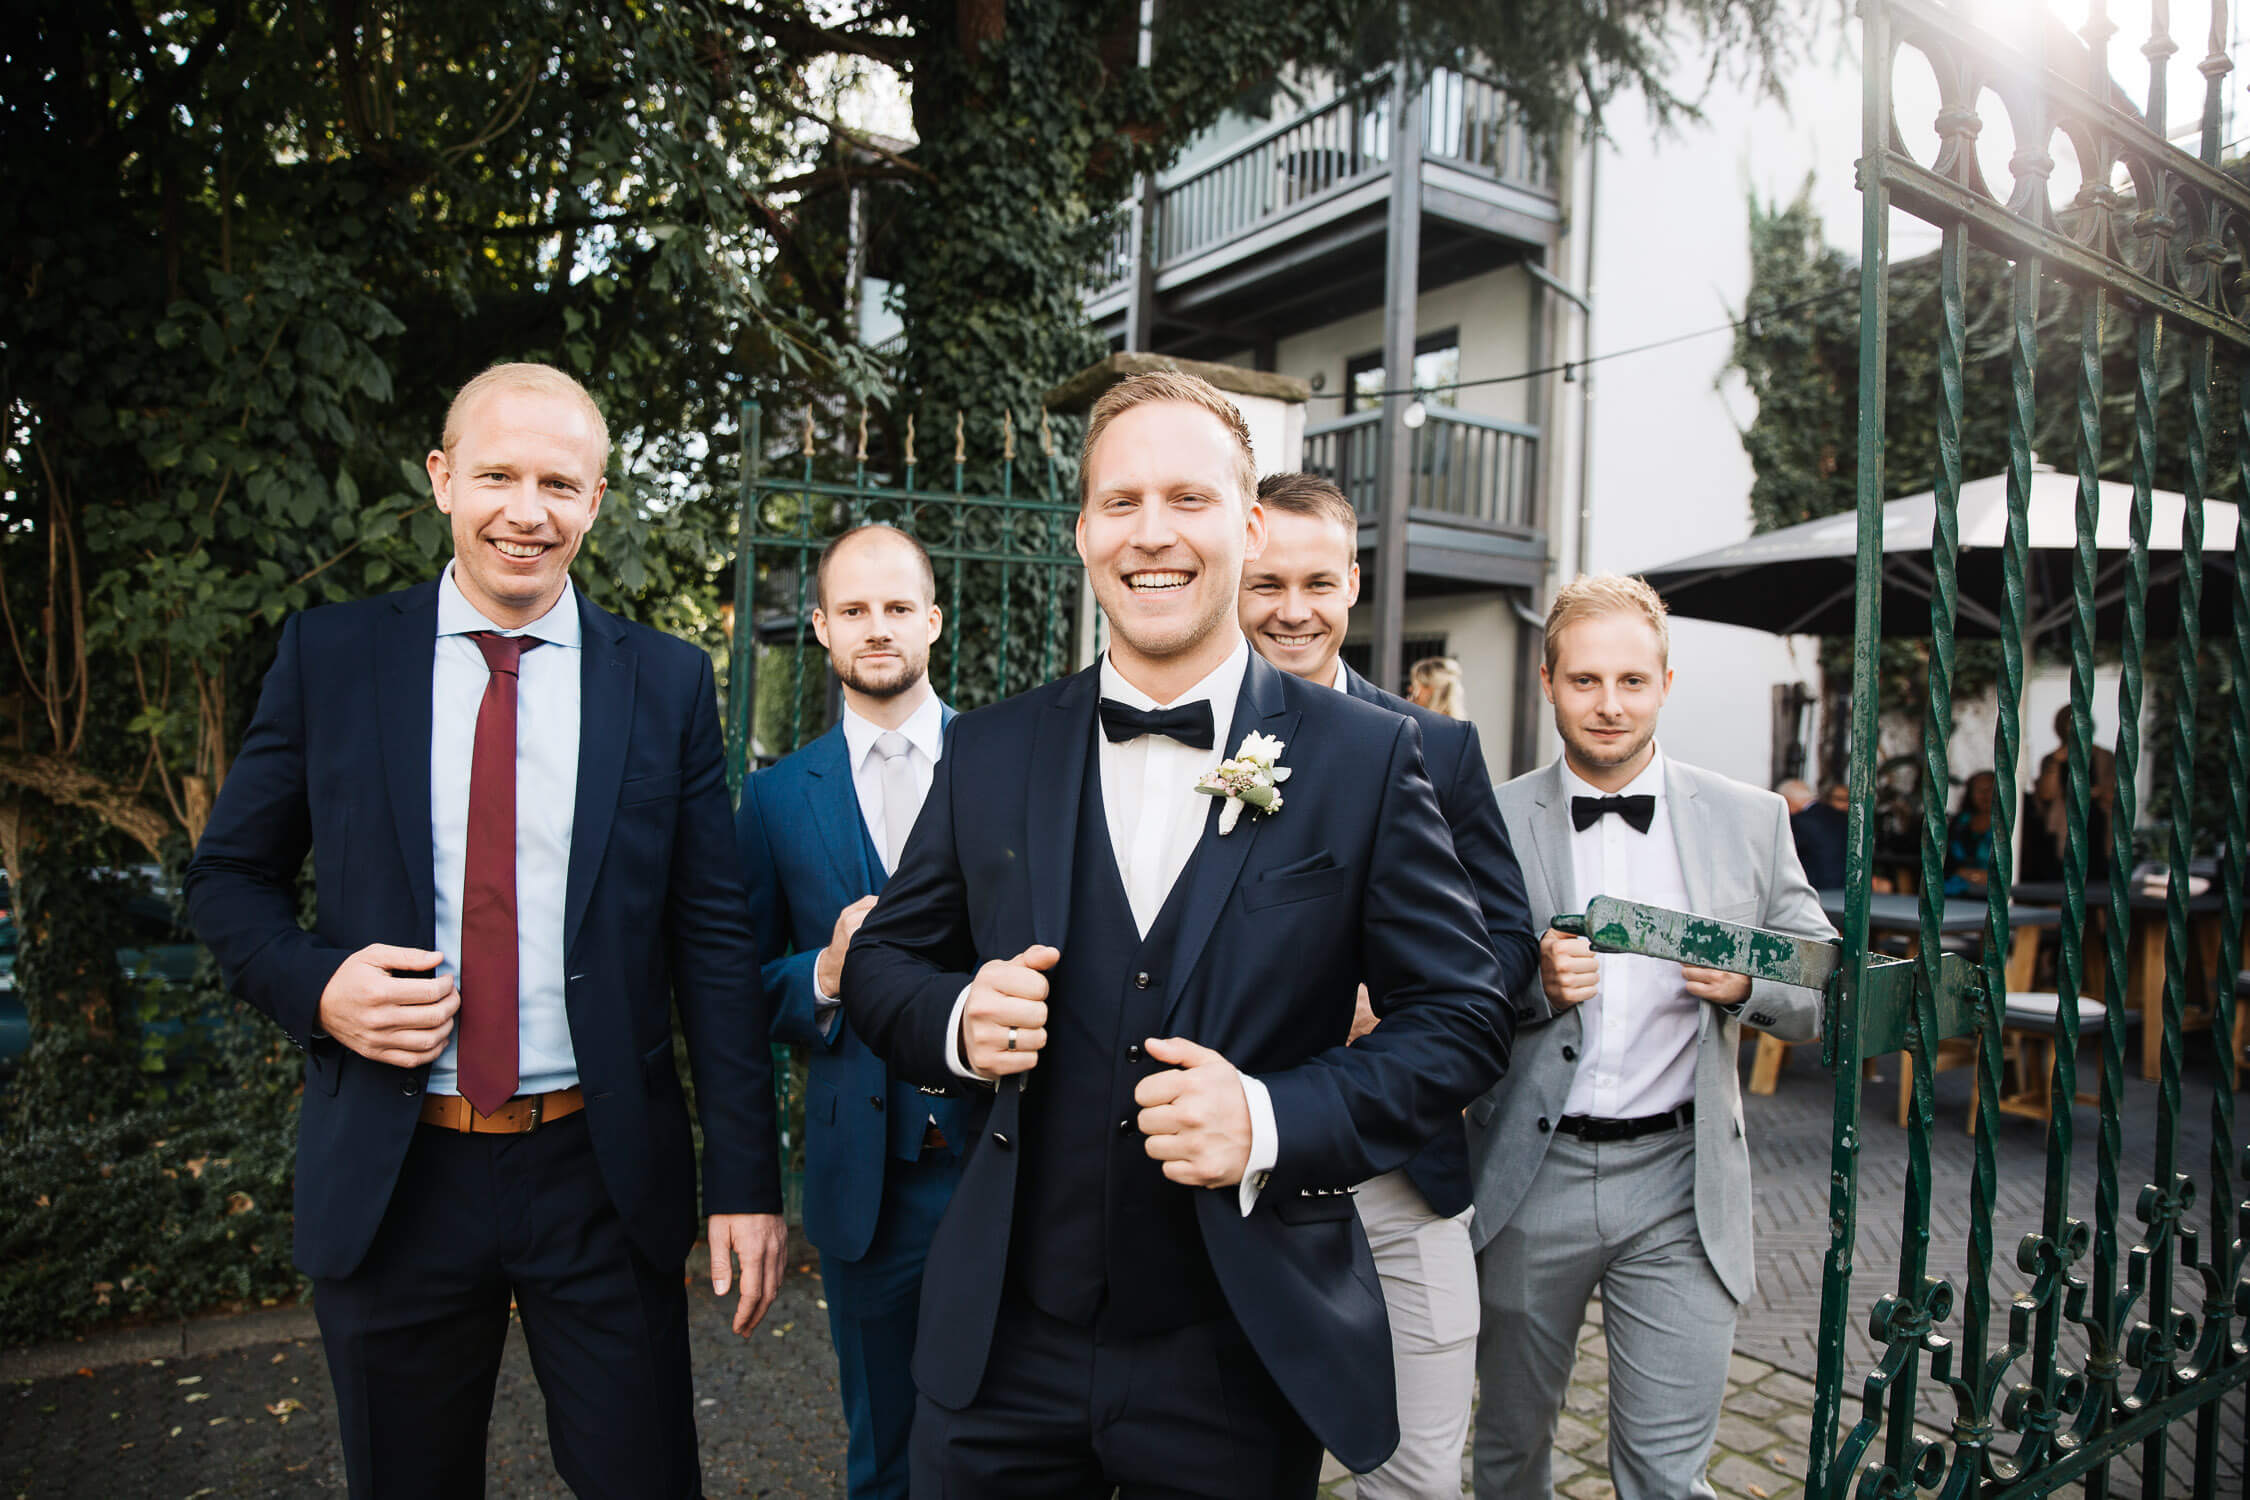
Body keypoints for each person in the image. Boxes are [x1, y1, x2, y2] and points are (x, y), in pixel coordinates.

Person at [840, 370, 1513, 1497]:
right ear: (1083, 531)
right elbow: (882, 968)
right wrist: (957, 1019)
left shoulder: (1366, 759)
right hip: (1003, 1347)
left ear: (1248, 526)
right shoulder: (994, 750)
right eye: (1121, 503)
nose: (1153, 535)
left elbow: (1465, 1016)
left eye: (1189, 500)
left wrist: (1270, 1115)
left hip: (1237, 1353)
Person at [184, 362, 785, 1499]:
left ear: (596, 501)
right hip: (398, 1167)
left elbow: (713, 944)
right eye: (498, 475)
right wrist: (317, 989)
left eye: (559, 482)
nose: (527, 510)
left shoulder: (664, 682)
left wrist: (746, 1183)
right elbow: (226, 880)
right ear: (441, 479)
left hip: (600, 1172)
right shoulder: (334, 656)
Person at [1464, 572, 1830, 1500]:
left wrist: (1750, 984)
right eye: (1585, 681)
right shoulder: (1487, 819)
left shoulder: (1750, 818)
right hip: (1525, 1181)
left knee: (1668, 1476)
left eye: (1632, 681)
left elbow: (1822, 976)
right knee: (1509, 1456)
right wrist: (1531, 988)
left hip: (1681, 1184)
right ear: (1547, 682)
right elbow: (1440, 993)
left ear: (1667, 681)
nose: (1609, 704)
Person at [1241, 471, 1538, 1500]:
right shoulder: (1196, 743)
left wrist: (1412, 1009)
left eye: (1317, 580)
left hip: (1406, 1166)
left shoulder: (1439, 749)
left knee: (1416, 1474)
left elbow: (1503, 938)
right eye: (1267, 579)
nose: (1293, 608)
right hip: (1243, 1159)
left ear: (1353, 584)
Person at [735, 524, 966, 1500]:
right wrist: (824, 975)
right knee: (883, 1451)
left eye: (898, 607)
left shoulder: (1010, 762)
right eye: (856, 610)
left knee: (1016, 1437)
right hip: (867, 1181)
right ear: (824, 629)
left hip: (1009, 1163)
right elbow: (743, 991)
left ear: (933, 622)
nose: (879, 629)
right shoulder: (778, 799)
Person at [2027, 706, 2114, 882]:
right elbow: (2046, 795)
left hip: (2096, 825)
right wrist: (2055, 764)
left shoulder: (2103, 756)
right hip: (2062, 826)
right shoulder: (2052, 759)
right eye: (2068, 723)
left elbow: (2113, 793)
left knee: (2097, 881)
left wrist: (2090, 793)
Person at [1944, 769, 1998, 896]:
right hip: (1956, 886)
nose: (1984, 795)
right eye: (1979, 790)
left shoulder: (2010, 825)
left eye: (1989, 789)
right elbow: (1947, 859)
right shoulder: (1960, 823)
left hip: (1994, 891)